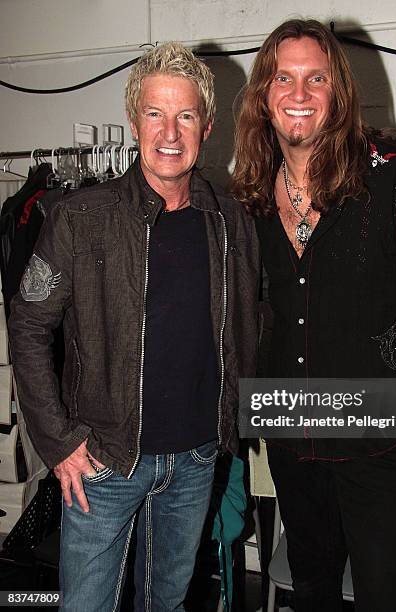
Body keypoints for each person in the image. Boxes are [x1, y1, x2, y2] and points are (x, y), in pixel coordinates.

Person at [232, 19, 396, 612]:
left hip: (379, 443)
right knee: (312, 589)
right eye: (283, 78)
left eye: (314, 78)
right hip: (290, 436)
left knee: (388, 597)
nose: (298, 93)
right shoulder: (249, 191)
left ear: (338, 90)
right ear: (264, 98)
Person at [9, 42, 259, 612]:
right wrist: (60, 442)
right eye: (155, 113)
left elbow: (252, 323)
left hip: (196, 459)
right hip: (102, 458)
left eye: (185, 115)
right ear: (133, 120)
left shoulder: (233, 222)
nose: (169, 132)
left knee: (166, 603)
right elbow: (27, 324)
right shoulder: (77, 218)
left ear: (207, 124)